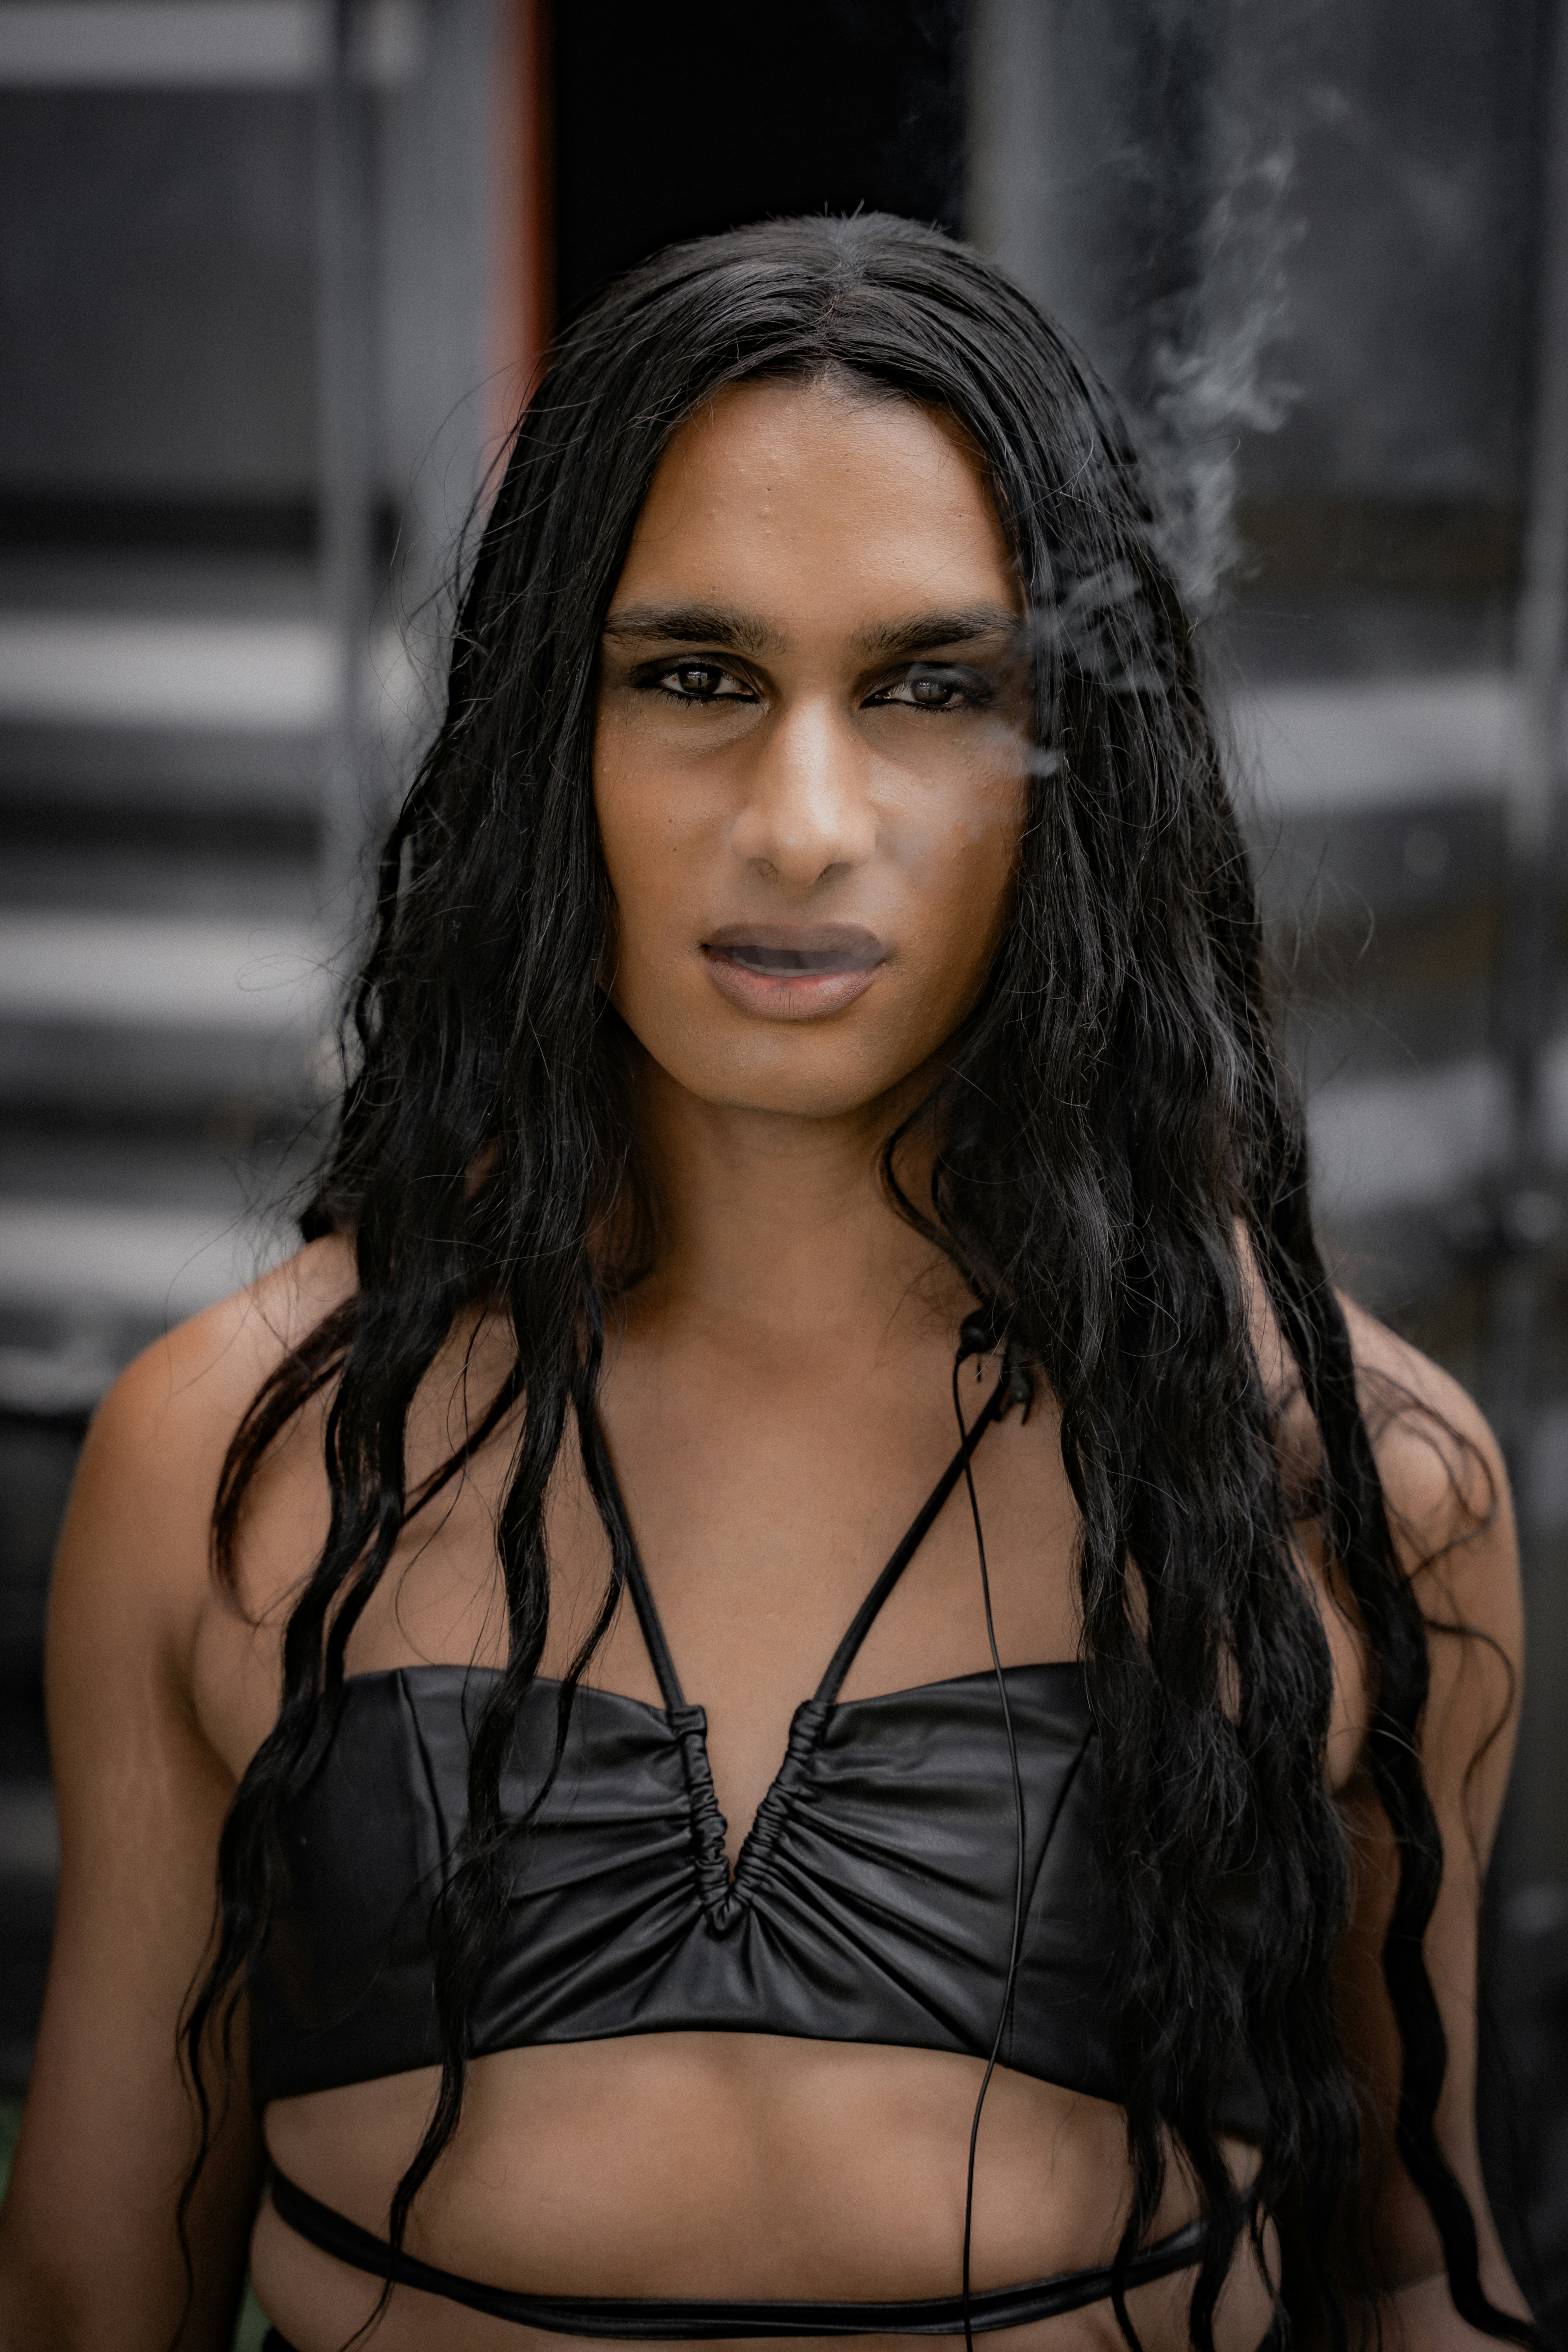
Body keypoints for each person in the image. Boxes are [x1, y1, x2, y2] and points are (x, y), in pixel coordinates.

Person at [0, 215, 1541, 2352]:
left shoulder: (1342, 1482)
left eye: (931, 689)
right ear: (556, 740)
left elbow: (1409, 2284)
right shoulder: (230, 1458)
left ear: (1073, 770)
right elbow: (90, 2299)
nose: (804, 823)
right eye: (695, 679)